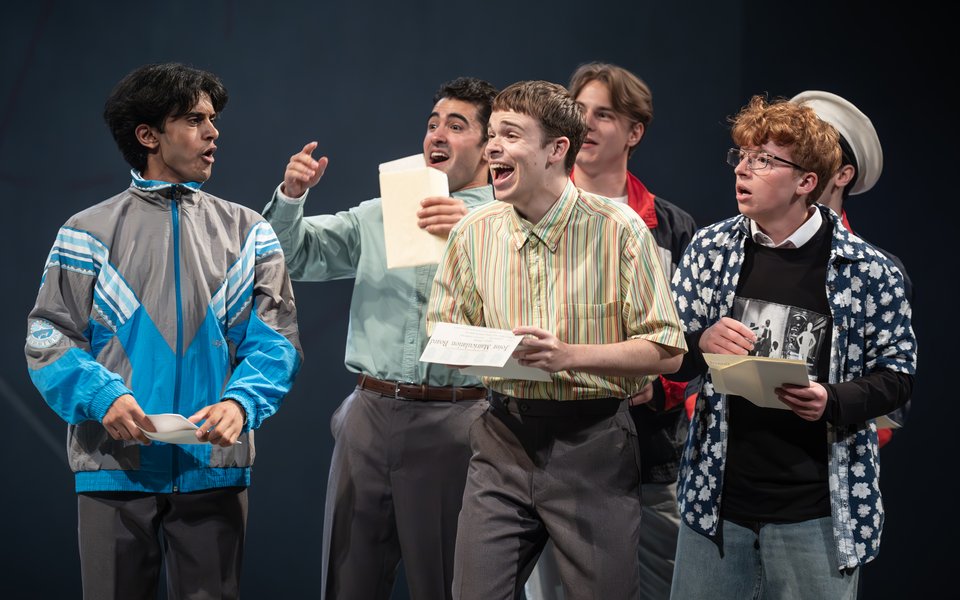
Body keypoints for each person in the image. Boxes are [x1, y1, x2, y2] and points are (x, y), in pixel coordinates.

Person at [24, 62, 303, 600]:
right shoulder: (85, 233)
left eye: (213, 119)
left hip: (213, 468)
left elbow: (277, 340)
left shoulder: (250, 232)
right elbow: (48, 336)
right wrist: (102, 396)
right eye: (194, 120)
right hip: (114, 468)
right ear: (148, 135)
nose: (213, 132)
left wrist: (242, 403)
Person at [428, 80, 687, 599]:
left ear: (556, 149)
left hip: (593, 442)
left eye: (511, 135)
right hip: (501, 435)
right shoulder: (473, 231)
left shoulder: (618, 229)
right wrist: (490, 351)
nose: (493, 147)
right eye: (492, 134)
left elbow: (667, 349)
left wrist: (569, 355)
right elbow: (442, 327)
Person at [667, 95, 916, 599]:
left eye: (764, 160)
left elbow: (898, 376)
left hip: (817, 514)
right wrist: (701, 341)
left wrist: (832, 400)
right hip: (717, 506)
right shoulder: (711, 249)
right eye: (742, 156)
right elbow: (667, 351)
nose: (743, 169)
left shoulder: (869, 270)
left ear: (806, 183)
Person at [262, 77, 498, 600]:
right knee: (347, 582)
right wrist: (292, 197)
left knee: (447, 585)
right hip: (370, 417)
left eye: (457, 126)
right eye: (432, 124)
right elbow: (291, 256)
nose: (437, 134)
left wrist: (477, 229)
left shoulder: (510, 224)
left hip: (458, 419)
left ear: (489, 147)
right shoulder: (383, 212)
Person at [524, 62, 698, 600]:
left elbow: (694, 339)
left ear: (634, 132)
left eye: (604, 114)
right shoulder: (526, 210)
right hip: (544, 440)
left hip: (647, 450)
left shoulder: (671, 228)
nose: (587, 124)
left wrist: (658, 387)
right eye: (579, 111)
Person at [791, 89, 913, 447]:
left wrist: (839, 420)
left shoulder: (879, 272)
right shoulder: (730, 248)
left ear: (843, 173)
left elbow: (894, 385)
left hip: (829, 456)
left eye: (815, 152)